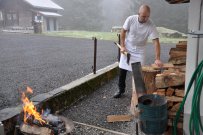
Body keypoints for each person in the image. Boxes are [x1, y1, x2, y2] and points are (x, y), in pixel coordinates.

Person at [113, 4, 163, 98]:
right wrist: (123, 46)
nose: (145, 18)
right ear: (138, 14)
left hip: (140, 50)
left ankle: (138, 93)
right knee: (122, 69)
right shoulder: (131, 19)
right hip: (128, 47)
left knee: (139, 72)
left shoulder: (151, 25)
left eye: (147, 16)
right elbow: (123, 32)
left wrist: (157, 58)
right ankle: (121, 89)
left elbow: (156, 42)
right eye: (143, 16)